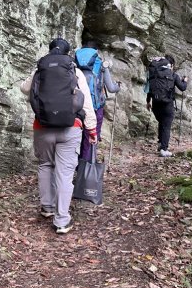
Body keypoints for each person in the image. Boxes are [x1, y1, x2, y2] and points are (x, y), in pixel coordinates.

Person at [20, 38, 97, 234]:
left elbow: (24, 89)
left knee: (45, 165)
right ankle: (62, 220)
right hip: (70, 128)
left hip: (42, 126)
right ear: (67, 52)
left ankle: (47, 207)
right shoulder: (74, 70)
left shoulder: (40, 69)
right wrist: (92, 129)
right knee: (64, 173)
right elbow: (86, 102)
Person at [74, 38, 121, 162]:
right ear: (96, 51)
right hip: (95, 108)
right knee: (91, 138)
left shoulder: (74, 63)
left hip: (75, 107)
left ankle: (74, 166)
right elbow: (110, 88)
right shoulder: (100, 63)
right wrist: (118, 87)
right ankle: (86, 169)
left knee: (75, 138)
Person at [146, 54, 188, 157]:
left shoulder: (154, 74)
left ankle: (160, 143)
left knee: (162, 122)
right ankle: (164, 149)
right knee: (166, 126)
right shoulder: (173, 75)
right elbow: (182, 88)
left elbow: (150, 89)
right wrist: (185, 81)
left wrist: (148, 102)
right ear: (171, 65)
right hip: (167, 104)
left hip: (155, 103)